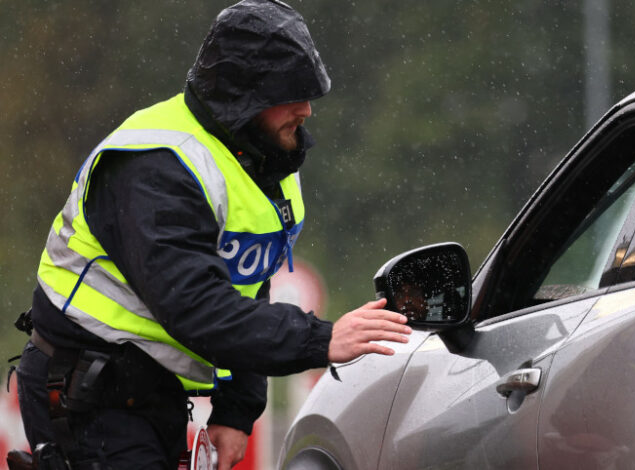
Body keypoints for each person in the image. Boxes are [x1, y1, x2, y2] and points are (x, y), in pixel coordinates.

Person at [12, 1, 411, 469]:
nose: (306, 110)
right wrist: (320, 339)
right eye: (291, 94)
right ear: (241, 96)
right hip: (86, 389)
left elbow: (246, 287)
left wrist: (237, 410)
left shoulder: (261, 155)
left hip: (144, 392)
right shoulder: (156, 165)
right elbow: (195, 306)